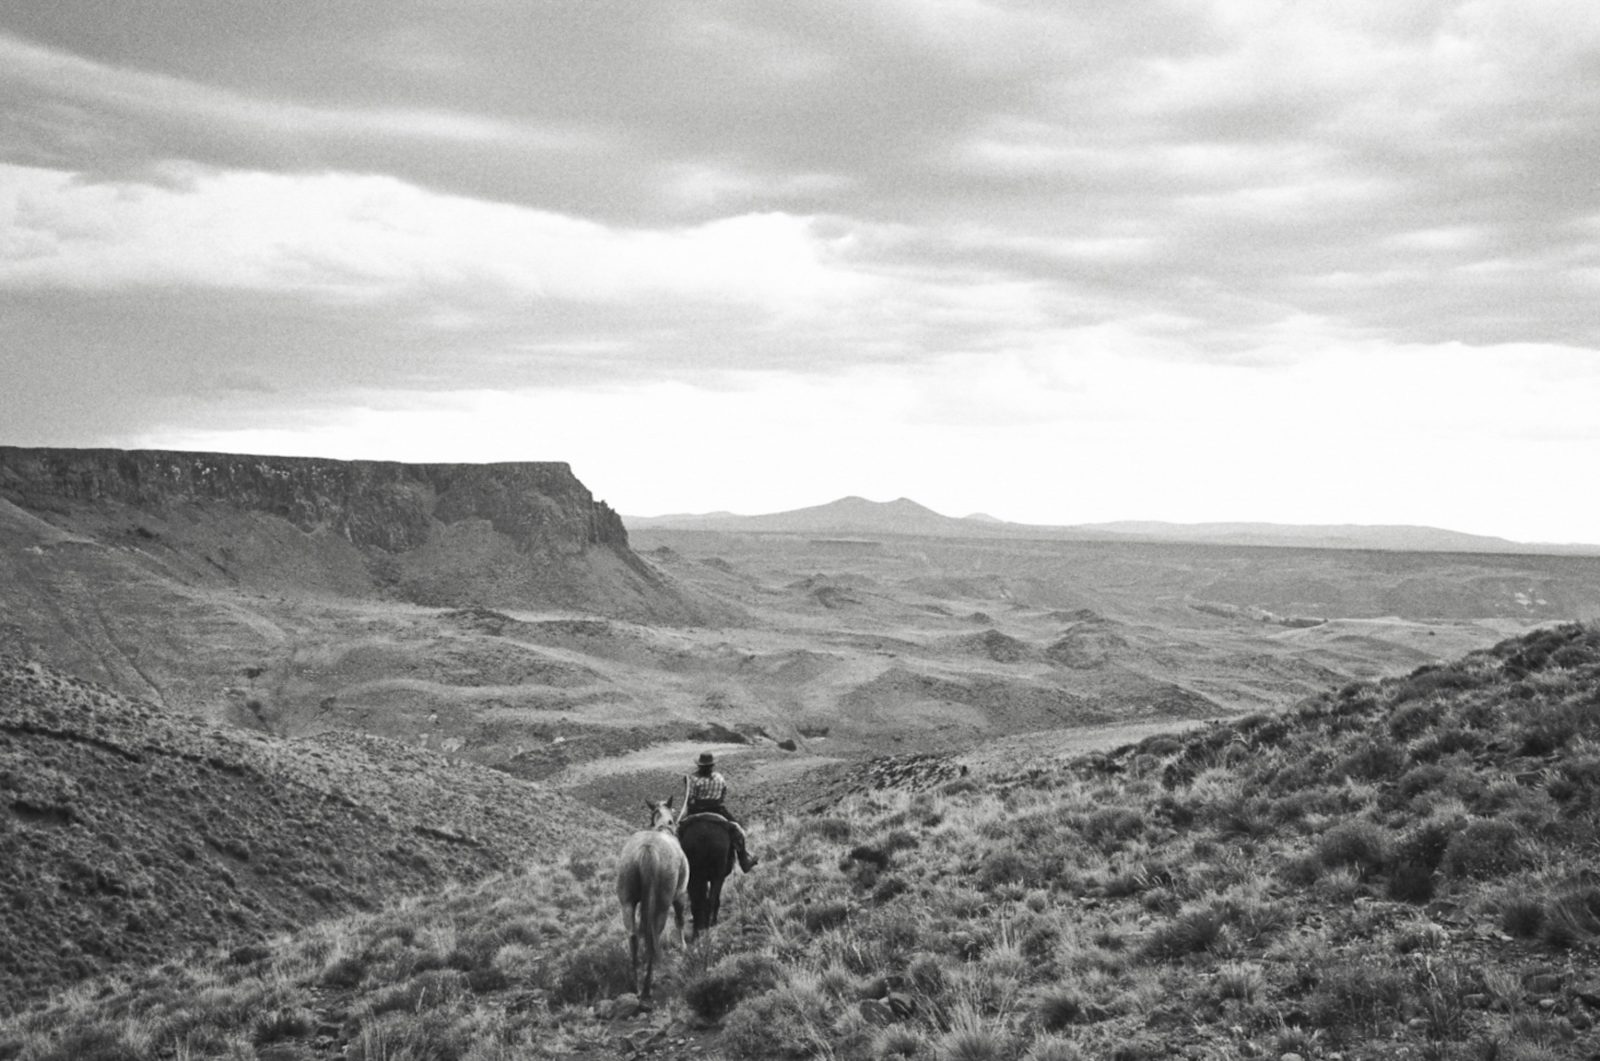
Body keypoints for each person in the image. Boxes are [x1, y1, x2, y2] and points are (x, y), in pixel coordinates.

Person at [681, 751, 759, 872]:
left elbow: (690, 799)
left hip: (696, 811)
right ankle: (744, 861)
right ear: (712, 766)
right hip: (718, 810)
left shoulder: (693, 779)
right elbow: (723, 794)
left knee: (678, 830)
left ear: (700, 766)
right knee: (738, 831)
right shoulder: (719, 777)